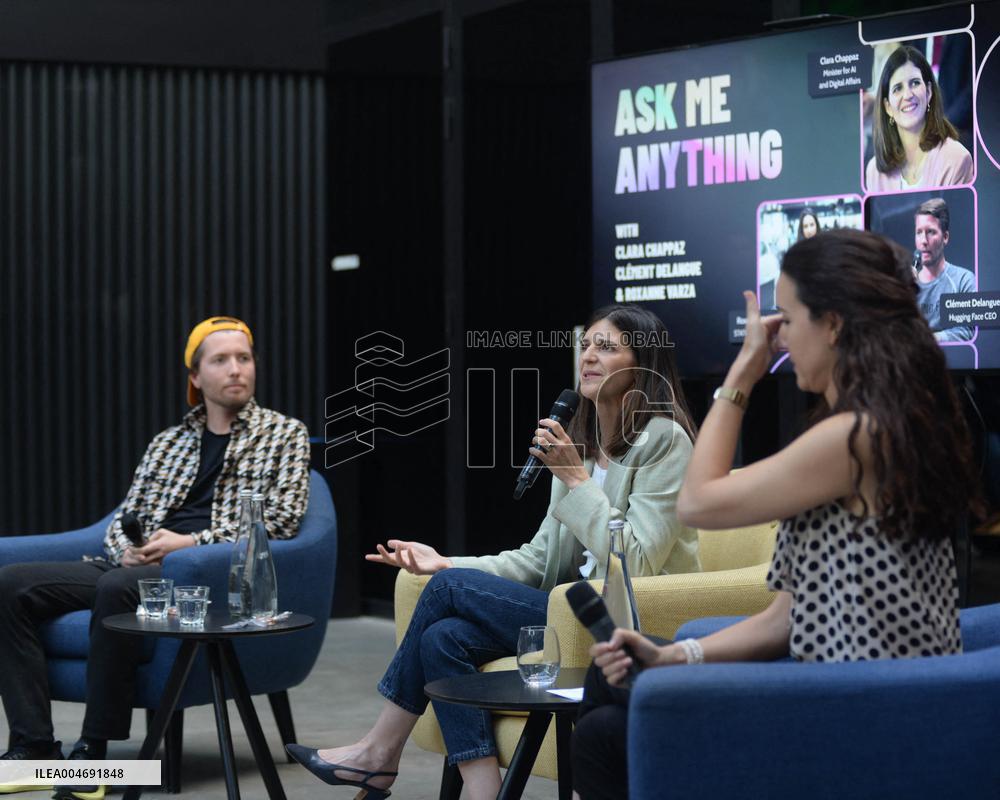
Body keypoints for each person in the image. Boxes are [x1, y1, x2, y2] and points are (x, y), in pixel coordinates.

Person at [572, 229, 981, 800]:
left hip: (868, 709)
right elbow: (784, 619)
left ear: (833, 324)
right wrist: (674, 655)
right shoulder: (878, 424)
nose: (776, 336)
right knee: (612, 693)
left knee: (600, 735)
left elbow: (698, 503)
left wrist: (740, 377)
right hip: (842, 689)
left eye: (786, 318)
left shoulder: (855, 437)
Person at [287, 304, 701, 800]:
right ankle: (483, 789)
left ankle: (379, 753)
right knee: (443, 637)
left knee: (445, 594)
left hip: (625, 621)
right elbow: (536, 559)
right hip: (568, 610)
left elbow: (637, 560)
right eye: (586, 344)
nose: (588, 356)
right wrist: (447, 562)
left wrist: (575, 480)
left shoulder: (664, 439)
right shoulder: (585, 446)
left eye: (607, 347)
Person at [0, 317, 311, 800]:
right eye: (220, 360)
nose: (236, 370)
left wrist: (191, 544)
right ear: (195, 377)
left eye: (244, 358)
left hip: (205, 574)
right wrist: (126, 547)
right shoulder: (169, 442)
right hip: (139, 565)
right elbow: (127, 515)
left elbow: (284, 520)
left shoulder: (284, 434)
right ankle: (32, 746)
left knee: (117, 589)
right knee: (10, 583)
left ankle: (93, 753)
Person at [866, 45, 973, 191]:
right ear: (888, 107)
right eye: (898, 88)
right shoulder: (874, 172)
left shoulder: (956, 159)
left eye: (915, 83)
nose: (908, 95)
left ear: (929, 92)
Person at [913, 197, 975, 341]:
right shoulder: (905, 284)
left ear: (945, 237)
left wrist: (927, 340)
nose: (923, 241)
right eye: (919, 232)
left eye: (931, 232)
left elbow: (968, 332)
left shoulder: (963, 280)